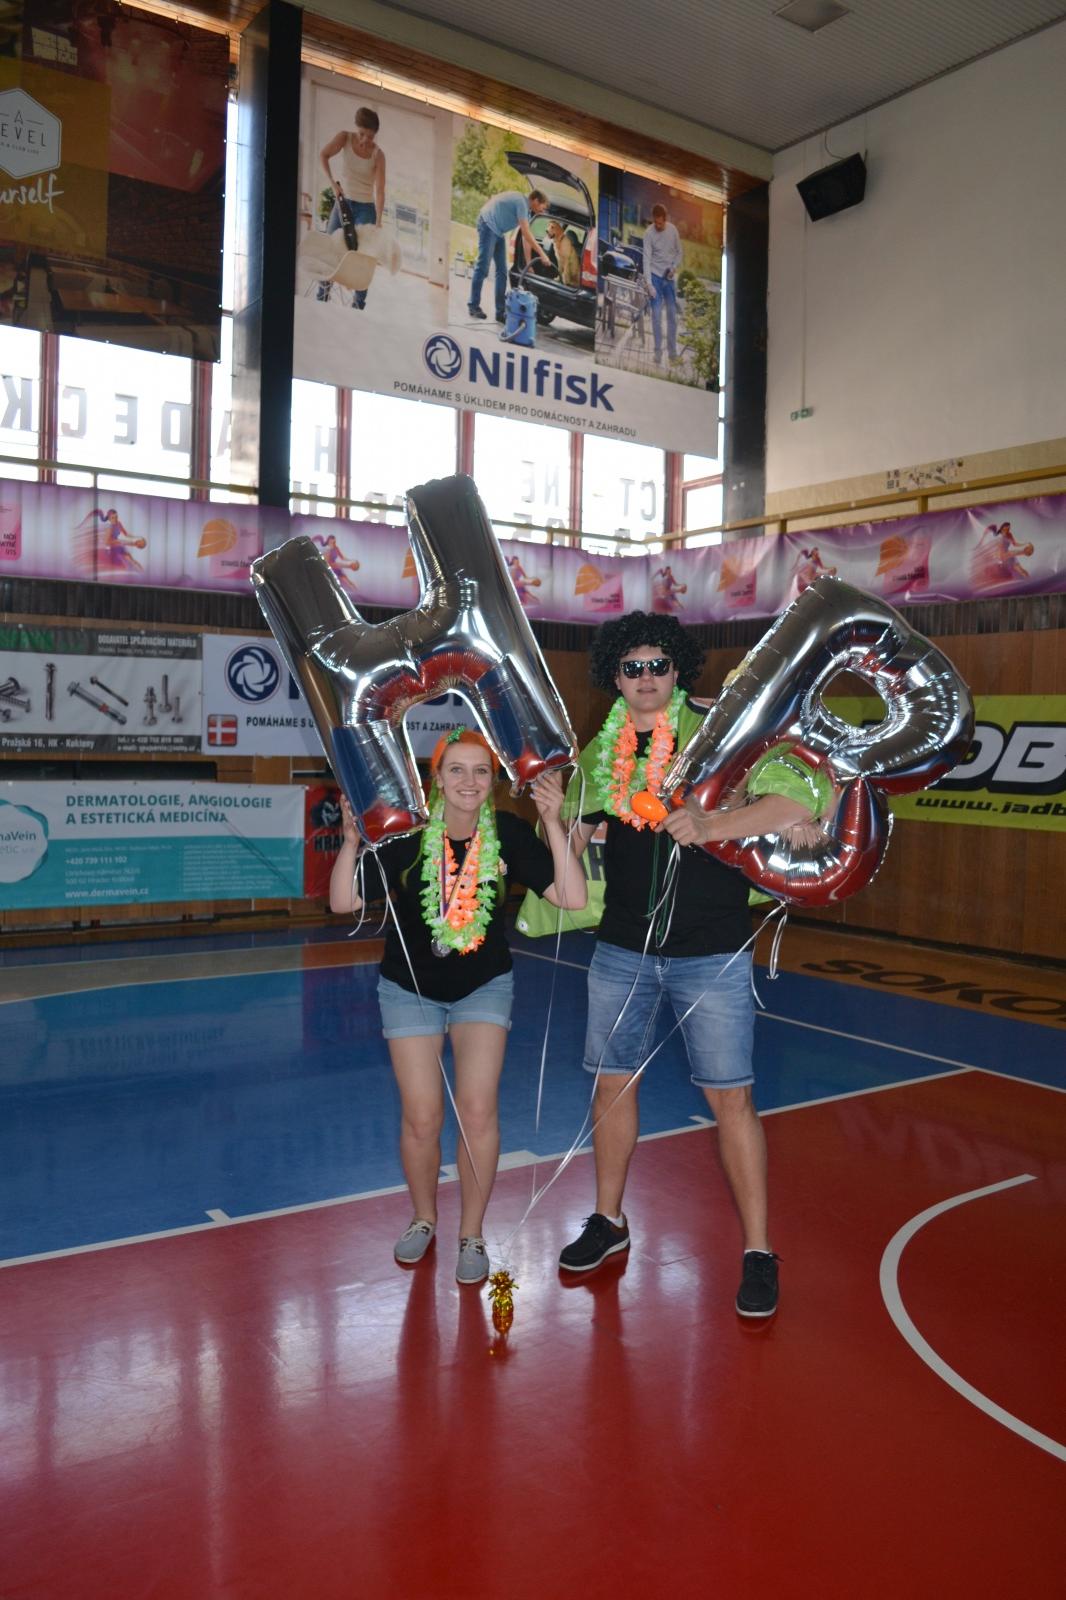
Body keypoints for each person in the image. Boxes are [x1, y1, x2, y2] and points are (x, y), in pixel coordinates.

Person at [557, 613, 821, 1318]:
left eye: (658, 666)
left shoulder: (721, 730)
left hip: (713, 949)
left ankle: (758, 1251)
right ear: (615, 677)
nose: (646, 679)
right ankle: (609, 1221)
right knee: (611, 1087)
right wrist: (553, 821)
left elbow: (798, 798)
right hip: (622, 948)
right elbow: (573, 833)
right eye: (632, 668)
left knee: (731, 1098)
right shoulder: (603, 747)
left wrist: (712, 825)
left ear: (678, 670)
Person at [330, 728, 586, 1284]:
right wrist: (351, 841)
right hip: (409, 989)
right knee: (422, 1116)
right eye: (457, 770)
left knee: (477, 1110)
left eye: (481, 771)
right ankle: (424, 1217)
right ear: (438, 780)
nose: (469, 781)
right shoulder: (407, 835)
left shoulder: (508, 833)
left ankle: (472, 1232)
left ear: (493, 781)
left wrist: (551, 821)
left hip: (482, 987)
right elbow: (343, 900)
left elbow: (572, 896)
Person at [317, 106, 386, 309]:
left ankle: (358, 304)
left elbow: (380, 190)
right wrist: (333, 184)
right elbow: (324, 155)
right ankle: (322, 297)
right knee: (330, 250)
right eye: (362, 134)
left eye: (370, 137)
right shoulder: (344, 138)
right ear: (356, 128)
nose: (365, 140)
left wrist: (378, 221)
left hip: (366, 208)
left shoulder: (378, 155)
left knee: (362, 258)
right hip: (343, 204)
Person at [468, 188, 552, 323]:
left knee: (502, 272)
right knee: (483, 267)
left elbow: (525, 238)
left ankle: (500, 312)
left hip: (498, 232)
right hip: (488, 225)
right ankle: (473, 306)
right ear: (536, 200)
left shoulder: (527, 211)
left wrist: (529, 263)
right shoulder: (521, 203)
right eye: (543, 207)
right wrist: (542, 254)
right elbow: (526, 233)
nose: (543, 210)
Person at [642, 204, 683, 364]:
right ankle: (658, 353)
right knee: (657, 316)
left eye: (660, 223)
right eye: (656, 222)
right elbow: (646, 259)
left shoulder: (673, 231)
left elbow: (679, 253)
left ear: (665, 219)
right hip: (655, 277)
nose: (658, 226)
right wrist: (649, 284)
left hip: (669, 278)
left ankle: (672, 353)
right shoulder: (648, 233)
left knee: (672, 316)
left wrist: (674, 267)